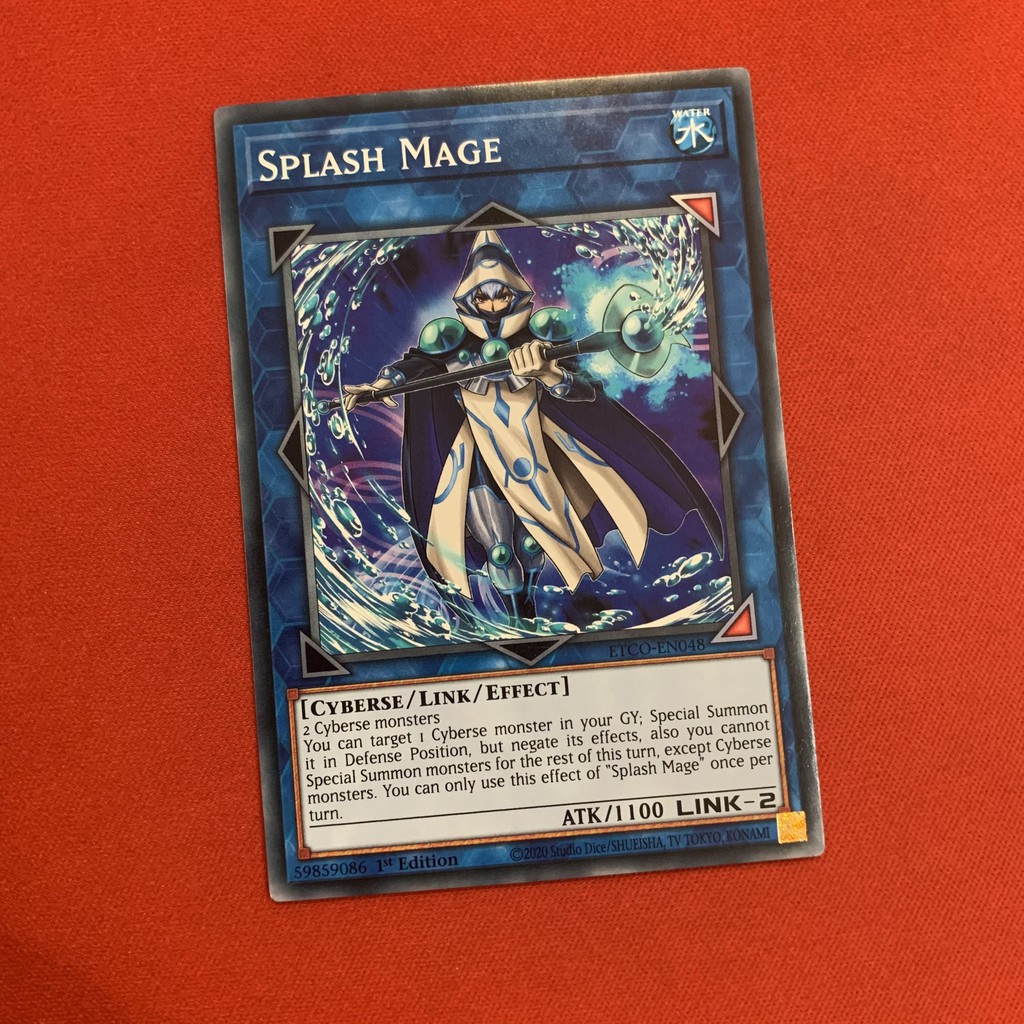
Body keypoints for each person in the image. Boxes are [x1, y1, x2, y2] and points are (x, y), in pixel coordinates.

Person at [344, 230, 720, 623]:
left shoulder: (544, 335)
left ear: (516, 295)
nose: (493, 305)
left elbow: (584, 390)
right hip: (479, 457)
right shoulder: (448, 340)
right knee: (499, 549)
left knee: (532, 543)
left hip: (536, 455)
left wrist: (547, 373)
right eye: (483, 297)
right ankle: (517, 619)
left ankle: (527, 617)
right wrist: (379, 386)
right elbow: (415, 368)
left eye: (501, 295)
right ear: (469, 298)